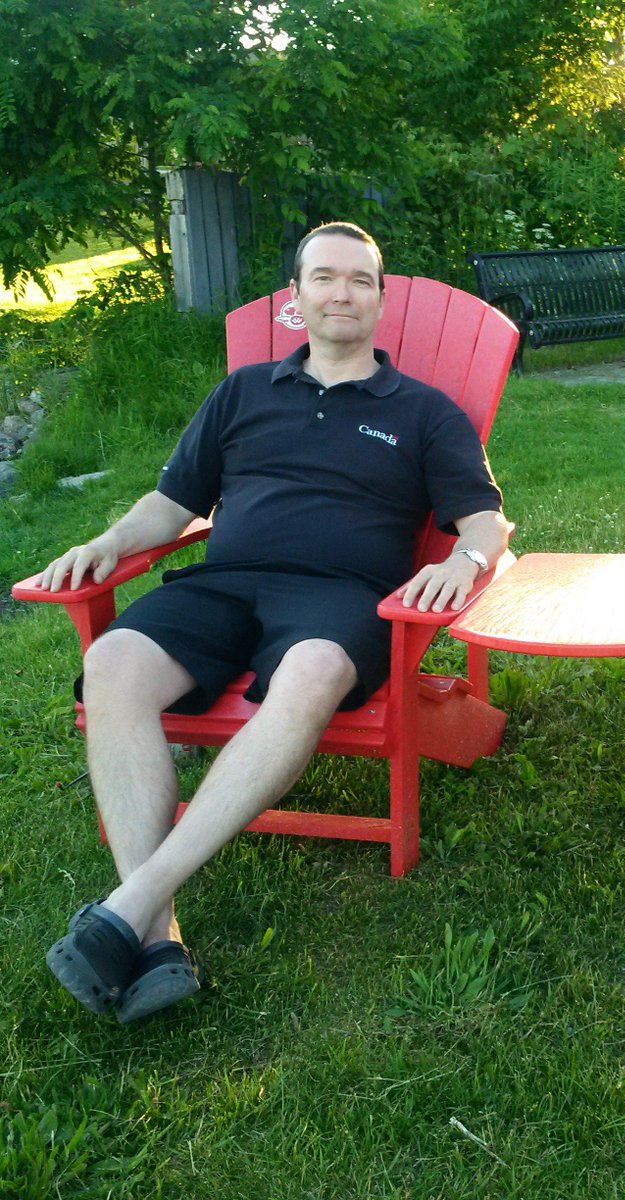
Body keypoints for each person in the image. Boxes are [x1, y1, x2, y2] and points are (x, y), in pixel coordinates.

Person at [36, 222, 509, 1022]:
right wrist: (109, 541)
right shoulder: (242, 393)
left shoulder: (423, 412)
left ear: (383, 300)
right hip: (227, 581)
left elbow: (486, 520)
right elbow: (173, 503)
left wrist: (463, 561)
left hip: (343, 595)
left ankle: (132, 904)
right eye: (324, 278)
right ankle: (155, 929)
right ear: (294, 299)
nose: (341, 293)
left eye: (360, 280)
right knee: (114, 660)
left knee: (316, 671)